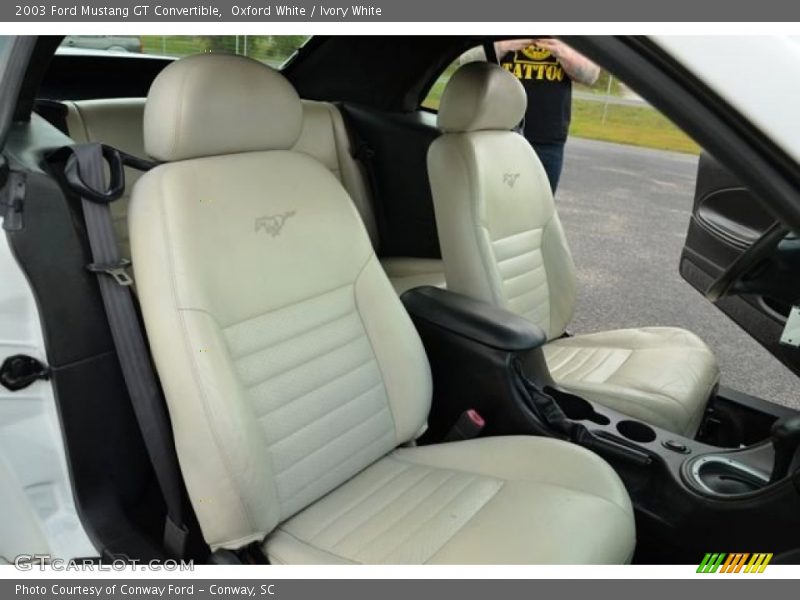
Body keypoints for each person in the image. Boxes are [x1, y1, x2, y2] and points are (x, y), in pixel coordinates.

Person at [462, 39, 600, 193]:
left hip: (548, 141)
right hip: (494, 135)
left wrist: (562, 51)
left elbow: (591, 75)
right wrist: (503, 45)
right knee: (493, 204)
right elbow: (465, 61)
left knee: (539, 209)